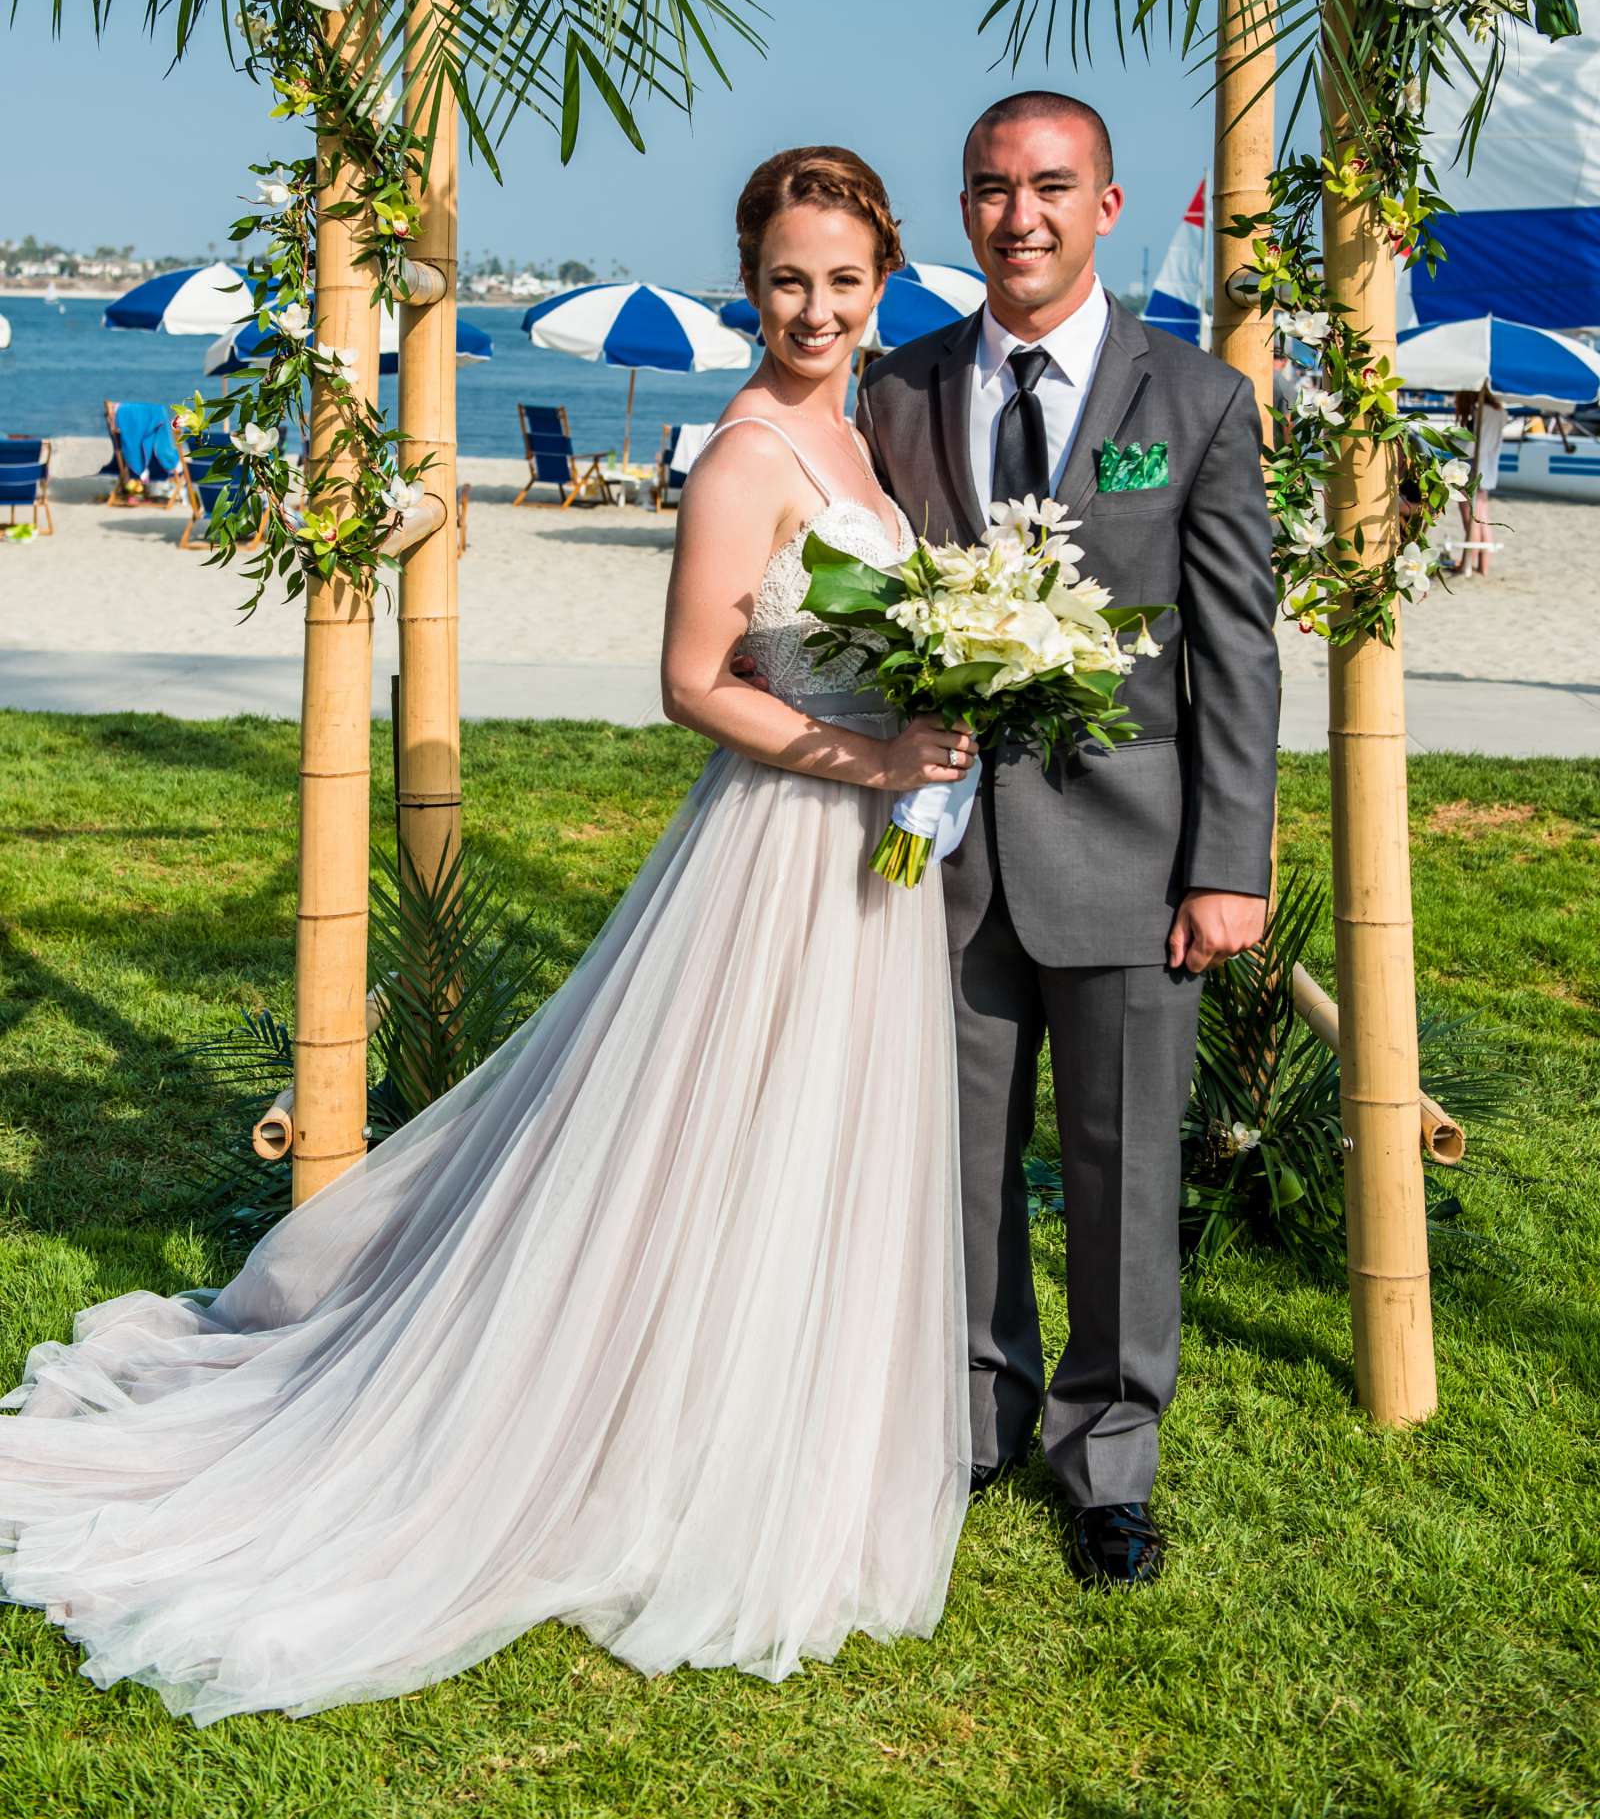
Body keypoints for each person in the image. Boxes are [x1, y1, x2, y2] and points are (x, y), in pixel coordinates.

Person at [0, 147, 975, 1724]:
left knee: (809, 1154)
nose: (815, 306)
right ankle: (617, 1443)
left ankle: (756, 1434)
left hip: (868, 866)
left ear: (881, 283)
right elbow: (694, 687)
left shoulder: (856, 439)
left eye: (843, 280)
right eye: (789, 278)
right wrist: (875, 758)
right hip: (780, 850)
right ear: (752, 280)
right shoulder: (744, 456)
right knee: (707, 1145)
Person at [854, 90, 1279, 1586]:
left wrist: (1232, 862)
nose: (1017, 214)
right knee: (958, 1167)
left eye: (1049, 186)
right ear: (962, 206)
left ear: (1108, 205)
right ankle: (973, 1426)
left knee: (1119, 1173)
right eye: (988, 187)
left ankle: (1109, 1461)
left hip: (1140, 859)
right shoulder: (893, 393)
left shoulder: (1199, 401)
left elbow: (1236, 652)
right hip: (942, 858)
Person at [1449, 387, 1504, 577]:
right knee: (1483, 517)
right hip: (1487, 468)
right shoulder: (1499, 410)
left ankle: (1467, 563)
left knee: (1470, 517)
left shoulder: (1481, 411)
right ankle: (1483, 566)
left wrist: (1451, 441)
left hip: (1472, 467)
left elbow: (1471, 446)